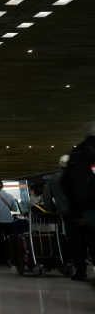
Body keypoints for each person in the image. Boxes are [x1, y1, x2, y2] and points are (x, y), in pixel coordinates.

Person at [61, 121, 95, 282]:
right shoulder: (90, 150)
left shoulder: (77, 151)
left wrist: (75, 206)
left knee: (78, 242)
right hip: (89, 204)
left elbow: (66, 182)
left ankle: (81, 271)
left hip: (78, 208)